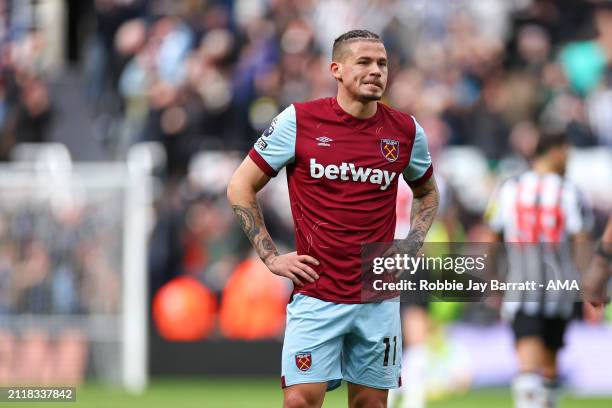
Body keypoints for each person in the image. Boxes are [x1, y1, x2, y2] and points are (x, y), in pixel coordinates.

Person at [227, 30, 439, 408]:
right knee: (299, 402)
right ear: (336, 70)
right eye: (364, 62)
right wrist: (271, 256)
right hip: (316, 290)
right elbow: (241, 185)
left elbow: (427, 192)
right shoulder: (299, 121)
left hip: (376, 295)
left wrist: (412, 242)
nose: (376, 71)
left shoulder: (405, 131)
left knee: (369, 405)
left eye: (382, 63)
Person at [485, 130, 592, 408]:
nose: (568, 160)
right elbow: (581, 240)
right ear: (556, 152)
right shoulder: (570, 191)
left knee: (531, 368)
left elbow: (491, 236)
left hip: (522, 287)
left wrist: (490, 278)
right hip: (560, 291)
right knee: (547, 367)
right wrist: (591, 283)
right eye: (567, 153)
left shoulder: (509, 187)